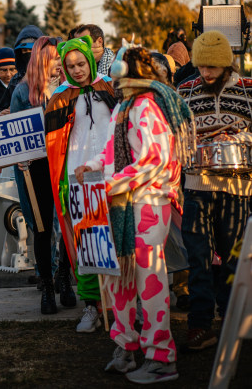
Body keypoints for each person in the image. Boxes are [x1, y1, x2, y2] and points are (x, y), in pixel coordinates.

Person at [75, 45, 191, 383]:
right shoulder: (125, 107)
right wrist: (92, 166)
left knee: (149, 280)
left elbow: (156, 161)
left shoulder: (147, 108)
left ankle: (160, 356)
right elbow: (112, 149)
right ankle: (126, 346)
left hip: (148, 203)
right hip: (124, 203)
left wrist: (113, 182)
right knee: (118, 277)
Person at [177, 30, 252, 352]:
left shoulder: (249, 91)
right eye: (201, 66)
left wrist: (239, 140)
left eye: (212, 67)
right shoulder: (184, 91)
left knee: (234, 261)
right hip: (196, 187)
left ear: (226, 65)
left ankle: (233, 322)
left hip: (238, 188)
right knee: (199, 258)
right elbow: (175, 136)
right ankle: (200, 324)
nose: (205, 73)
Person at [44, 36, 117, 332]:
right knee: (86, 244)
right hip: (78, 178)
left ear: (90, 60)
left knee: (116, 241)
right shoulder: (60, 97)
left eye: (81, 63)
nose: (76, 70)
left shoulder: (110, 87)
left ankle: (122, 305)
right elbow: (53, 143)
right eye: (70, 65)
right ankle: (91, 305)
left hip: (112, 176)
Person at [10, 36, 63, 314]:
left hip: (64, 164)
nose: (58, 63)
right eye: (53, 58)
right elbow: (15, 131)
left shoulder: (68, 88)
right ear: (41, 60)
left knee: (65, 226)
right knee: (42, 228)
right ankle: (48, 286)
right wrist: (19, 157)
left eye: (59, 58)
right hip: (38, 168)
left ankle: (65, 278)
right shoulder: (22, 92)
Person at [0, 25, 45, 113]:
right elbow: (1, 108)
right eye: (24, 51)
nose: (28, 54)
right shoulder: (15, 80)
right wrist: (0, 113)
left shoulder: (55, 75)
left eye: (32, 50)